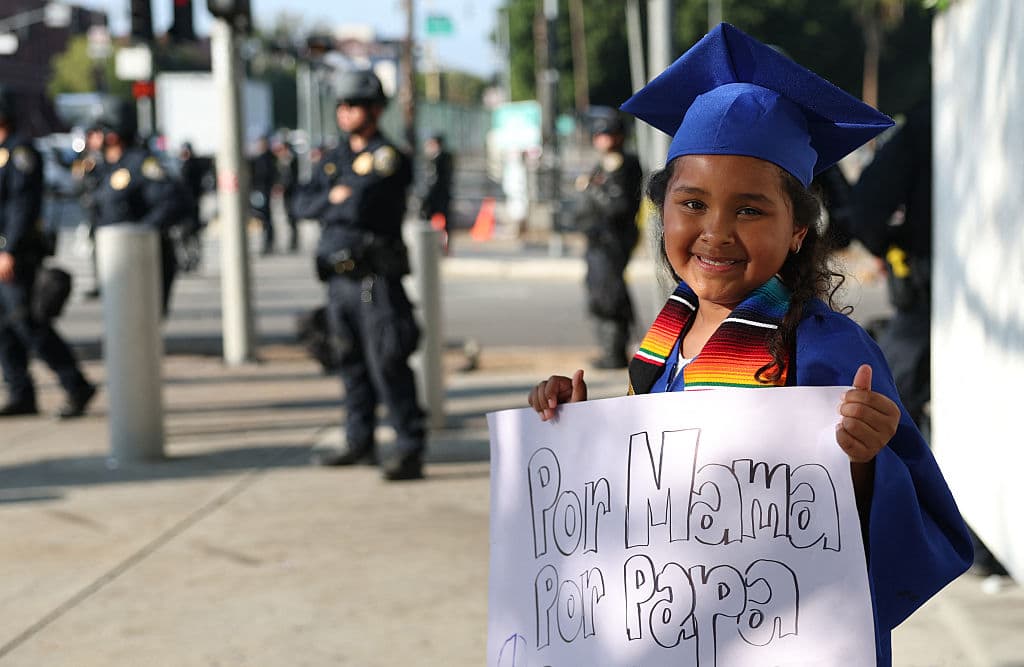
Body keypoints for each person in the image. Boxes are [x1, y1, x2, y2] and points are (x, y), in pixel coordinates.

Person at [526, 24, 972, 666]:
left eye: (750, 210)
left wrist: (866, 461)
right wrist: (573, 427)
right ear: (662, 214)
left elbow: (896, 525)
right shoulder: (664, 338)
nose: (716, 231)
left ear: (797, 229)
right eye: (693, 203)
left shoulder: (827, 350)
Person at [294, 69, 426, 481]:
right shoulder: (333, 158)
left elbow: (359, 208)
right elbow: (300, 204)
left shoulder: (388, 157)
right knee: (349, 362)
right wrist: (337, 198)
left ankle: (408, 446)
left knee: (387, 361)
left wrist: (333, 201)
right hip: (338, 280)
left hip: (375, 280)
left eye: (354, 106)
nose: (345, 113)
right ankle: (359, 439)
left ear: (374, 110)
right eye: (342, 106)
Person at [0, 85, 97, 418]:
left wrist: (9, 250)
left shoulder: (19, 151)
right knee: (4, 328)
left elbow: (21, 207)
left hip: (16, 255)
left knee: (29, 324)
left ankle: (76, 385)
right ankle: (20, 393)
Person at [848, 99, 932, 431]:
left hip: (925, 292)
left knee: (890, 414)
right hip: (926, 290)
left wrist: (892, 245)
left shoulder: (927, 124)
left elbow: (866, 208)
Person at [91, 100, 184, 317]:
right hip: (116, 260)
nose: (92, 137)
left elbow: (172, 202)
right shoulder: (103, 167)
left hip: (144, 259)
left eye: (97, 131)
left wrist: (139, 233)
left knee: (139, 326)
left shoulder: (141, 164)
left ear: (112, 134)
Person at [572, 114, 643, 368]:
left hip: (613, 241)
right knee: (599, 292)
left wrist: (591, 188)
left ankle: (614, 352)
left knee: (609, 295)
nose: (602, 139)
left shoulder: (627, 165)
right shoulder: (602, 165)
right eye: (599, 135)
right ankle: (609, 350)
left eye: (608, 134)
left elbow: (619, 206)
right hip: (596, 240)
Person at [417, 132, 454, 252]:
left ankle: (433, 247)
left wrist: (425, 197)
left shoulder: (437, 159)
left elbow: (433, 181)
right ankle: (441, 246)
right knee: (441, 223)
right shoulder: (446, 158)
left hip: (436, 197)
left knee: (430, 221)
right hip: (443, 196)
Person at [249, 135, 277, 255]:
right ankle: (266, 241)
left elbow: (270, 174)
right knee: (261, 217)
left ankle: (269, 242)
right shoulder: (259, 158)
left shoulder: (269, 158)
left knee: (266, 218)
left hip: (265, 191)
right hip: (259, 191)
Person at [271, 136, 299, 252]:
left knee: (292, 217)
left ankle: (294, 241)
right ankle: (291, 241)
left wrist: (283, 186)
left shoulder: (290, 159)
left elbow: (290, 177)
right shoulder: (281, 159)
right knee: (288, 217)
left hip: (292, 192)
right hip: (286, 193)